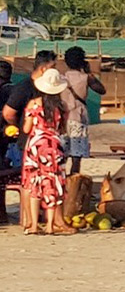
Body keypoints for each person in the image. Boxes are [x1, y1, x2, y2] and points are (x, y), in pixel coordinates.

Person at [4, 50, 57, 230]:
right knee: (36, 183)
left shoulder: (38, 97)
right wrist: (19, 131)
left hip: (31, 143)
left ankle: (32, 222)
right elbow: (8, 112)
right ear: (43, 69)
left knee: (31, 183)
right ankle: (31, 220)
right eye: (53, 66)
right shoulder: (25, 88)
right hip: (33, 144)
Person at [22, 69, 74, 235]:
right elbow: (63, 129)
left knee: (34, 184)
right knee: (53, 185)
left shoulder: (34, 104)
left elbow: (27, 128)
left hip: (36, 146)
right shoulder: (62, 107)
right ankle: (51, 225)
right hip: (54, 146)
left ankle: (34, 225)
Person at [60, 46, 106, 175]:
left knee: (61, 153)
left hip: (62, 119)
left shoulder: (61, 78)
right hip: (78, 117)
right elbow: (102, 90)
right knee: (76, 155)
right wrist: (89, 72)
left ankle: (60, 181)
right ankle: (74, 181)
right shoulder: (86, 78)